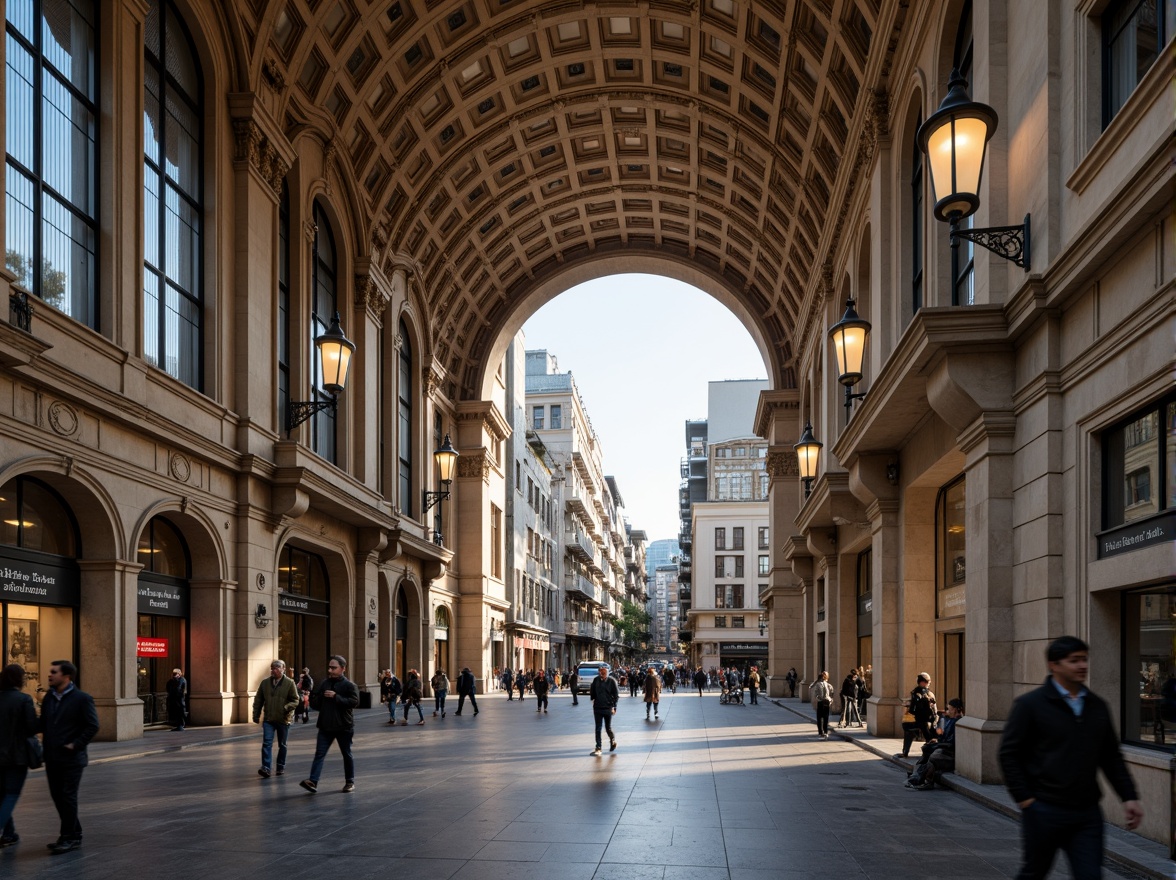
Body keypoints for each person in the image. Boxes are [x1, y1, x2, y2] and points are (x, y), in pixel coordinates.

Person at [999, 636, 1142, 880]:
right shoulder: (1031, 705)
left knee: (1090, 875)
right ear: (1054, 665)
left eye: (1084, 659)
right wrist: (1026, 800)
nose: (1082, 666)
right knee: (1034, 873)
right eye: (1074, 660)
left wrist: (1128, 796)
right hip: (1044, 810)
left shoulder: (1097, 706)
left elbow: (1110, 757)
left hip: (1086, 814)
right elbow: (1009, 754)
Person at [39, 659, 99, 854]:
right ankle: (75, 831)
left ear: (66, 676)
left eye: (54, 672)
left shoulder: (82, 698)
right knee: (58, 796)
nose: (50, 674)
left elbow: (92, 726)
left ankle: (68, 837)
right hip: (53, 756)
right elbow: (42, 724)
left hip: (72, 758)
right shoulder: (48, 698)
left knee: (67, 796)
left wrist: (76, 744)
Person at [300, 655, 359, 794]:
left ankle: (349, 781)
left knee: (346, 754)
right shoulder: (324, 683)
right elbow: (316, 703)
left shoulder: (349, 685)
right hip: (325, 725)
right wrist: (312, 697)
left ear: (343, 668)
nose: (330, 670)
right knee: (319, 754)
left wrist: (336, 697)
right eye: (329, 667)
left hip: (343, 726)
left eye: (334, 668)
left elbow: (354, 702)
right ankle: (313, 781)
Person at [0, 663, 37, 848]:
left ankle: (9, 833)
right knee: (11, 794)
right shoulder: (24, 700)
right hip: (16, 757)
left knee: (2, 796)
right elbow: (31, 727)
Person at [251, 659, 299, 778]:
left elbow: (295, 700)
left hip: (283, 719)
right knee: (267, 743)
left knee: (282, 744)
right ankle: (266, 768)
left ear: (283, 669)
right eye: (272, 668)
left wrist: (286, 707)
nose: (274, 670)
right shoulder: (265, 683)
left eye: (277, 667)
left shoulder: (289, 683)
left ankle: (280, 766)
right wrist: (256, 714)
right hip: (269, 719)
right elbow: (258, 700)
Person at [905, 698, 964, 790]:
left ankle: (926, 780)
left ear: (955, 709)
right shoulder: (950, 720)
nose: (947, 711)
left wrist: (939, 742)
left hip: (950, 753)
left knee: (934, 755)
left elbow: (951, 743)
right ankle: (916, 775)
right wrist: (938, 738)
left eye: (949, 709)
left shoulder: (958, 722)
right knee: (926, 748)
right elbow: (944, 737)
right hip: (945, 748)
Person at [895, 673, 936, 758]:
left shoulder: (923, 692)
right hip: (923, 720)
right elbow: (917, 706)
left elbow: (917, 707)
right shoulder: (920, 693)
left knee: (909, 728)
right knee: (912, 728)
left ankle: (906, 751)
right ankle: (929, 746)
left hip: (924, 720)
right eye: (928, 681)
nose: (929, 683)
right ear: (922, 682)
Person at [589, 666, 619, 755]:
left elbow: (616, 695)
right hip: (598, 707)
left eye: (604, 673)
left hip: (608, 707)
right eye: (601, 673)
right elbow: (593, 692)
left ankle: (612, 741)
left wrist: (614, 707)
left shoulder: (611, 681)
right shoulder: (596, 680)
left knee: (608, 727)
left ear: (607, 673)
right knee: (598, 728)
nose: (602, 675)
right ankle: (598, 747)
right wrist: (593, 699)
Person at [811, 671, 834, 740]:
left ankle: (825, 731)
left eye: (825, 676)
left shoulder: (828, 685)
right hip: (821, 702)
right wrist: (819, 699)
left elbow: (832, 692)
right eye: (823, 676)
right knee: (820, 717)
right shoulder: (818, 684)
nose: (824, 678)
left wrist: (830, 700)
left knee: (826, 717)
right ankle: (821, 731)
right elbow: (816, 694)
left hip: (826, 701)